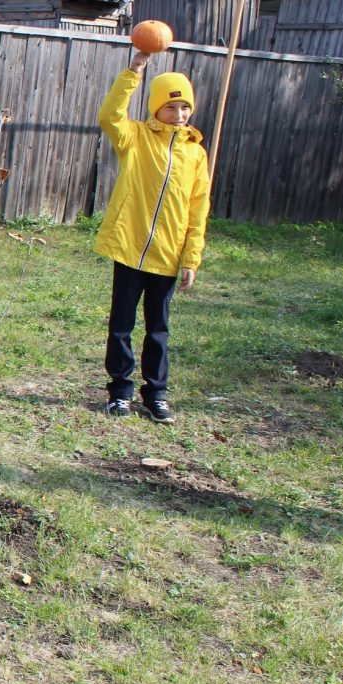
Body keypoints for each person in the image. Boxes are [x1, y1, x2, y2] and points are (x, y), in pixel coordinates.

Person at [95, 50, 210, 424]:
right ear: (157, 108)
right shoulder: (136, 138)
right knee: (122, 323)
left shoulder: (195, 154)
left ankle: (156, 394)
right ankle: (120, 392)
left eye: (185, 109)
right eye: (171, 108)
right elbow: (109, 116)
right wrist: (135, 71)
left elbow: (198, 209)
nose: (179, 115)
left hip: (168, 255)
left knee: (158, 328)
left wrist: (191, 257)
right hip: (130, 248)